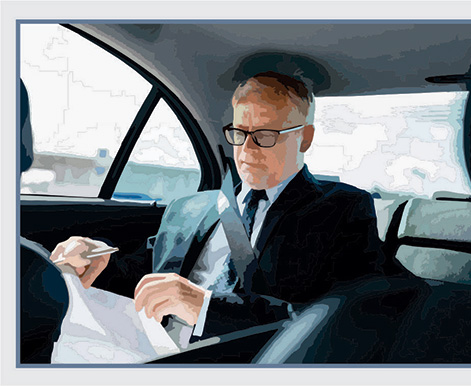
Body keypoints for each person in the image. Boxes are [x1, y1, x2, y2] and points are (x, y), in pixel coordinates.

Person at [49, 71, 384, 341]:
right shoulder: (189, 208)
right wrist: (99, 259)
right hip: (147, 345)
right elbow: (145, 274)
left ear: (305, 138)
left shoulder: (341, 209)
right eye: (239, 132)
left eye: (265, 135)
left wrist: (204, 307)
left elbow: (341, 318)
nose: (247, 150)